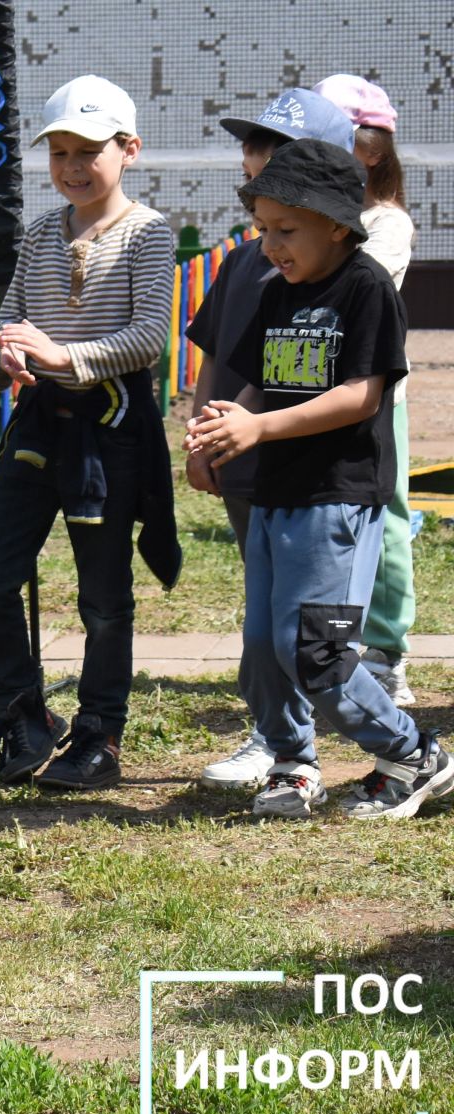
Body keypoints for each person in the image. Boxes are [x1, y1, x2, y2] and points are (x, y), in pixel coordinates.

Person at [187, 139, 450, 819]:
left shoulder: (365, 287)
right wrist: (222, 429)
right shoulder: (281, 290)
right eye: (263, 229)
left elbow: (363, 396)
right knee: (261, 649)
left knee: (315, 649)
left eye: (286, 229)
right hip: (277, 493)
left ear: (337, 223)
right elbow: (256, 384)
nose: (270, 245)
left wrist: (260, 429)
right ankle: (292, 762)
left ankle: (416, 753)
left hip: (336, 496)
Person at [0, 75, 180, 790]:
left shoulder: (150, 234)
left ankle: (100, 733)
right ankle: (23, 714)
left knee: (102, 596)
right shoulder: (39, 233)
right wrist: (14, 355)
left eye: (88, 150)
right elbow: (11, 318)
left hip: (111, 434)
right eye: (58, 152)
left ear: (130, 150)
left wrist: (66, 357)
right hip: (38, 428)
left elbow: (150, 335)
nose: (71, 167)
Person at [189, 89, 359, 790]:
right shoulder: (241, 259)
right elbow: (215, 353)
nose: (254, 159)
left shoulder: (341, 269)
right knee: (261, 609)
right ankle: (276, 735)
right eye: (252, 145)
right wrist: (202, 434)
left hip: (306, 468)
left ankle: (313, 737)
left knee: (297, 612)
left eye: (274, 147)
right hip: (241, 457)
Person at [317, 73, 417, 707]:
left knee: (387, 525)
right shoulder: (312, 217)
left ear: (370, 149)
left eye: (327, 136)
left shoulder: (385, 223)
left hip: (376, 401)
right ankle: (331, 648)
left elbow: (352, 291)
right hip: (308, 398)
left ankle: (386, 649)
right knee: (330, 525)